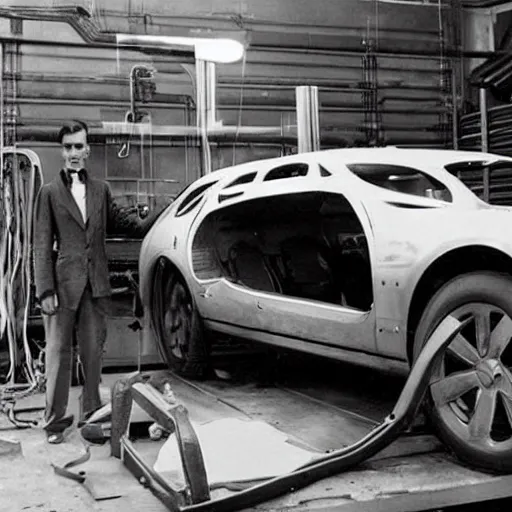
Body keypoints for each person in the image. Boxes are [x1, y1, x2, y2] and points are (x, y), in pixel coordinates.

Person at [33, 119, 167, 444]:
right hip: (62, 287)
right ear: (62, 152)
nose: (74, 153)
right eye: (68, 147)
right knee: (58, 356)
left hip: (96, 285)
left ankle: (91, 419)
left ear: (88, 150)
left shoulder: (101, 190)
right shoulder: (49, 193)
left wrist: (164, 211)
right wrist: (45, 289)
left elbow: (126, 224)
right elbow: (40, 244)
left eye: (79, 146)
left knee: (93, 356)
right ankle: (54, 424)